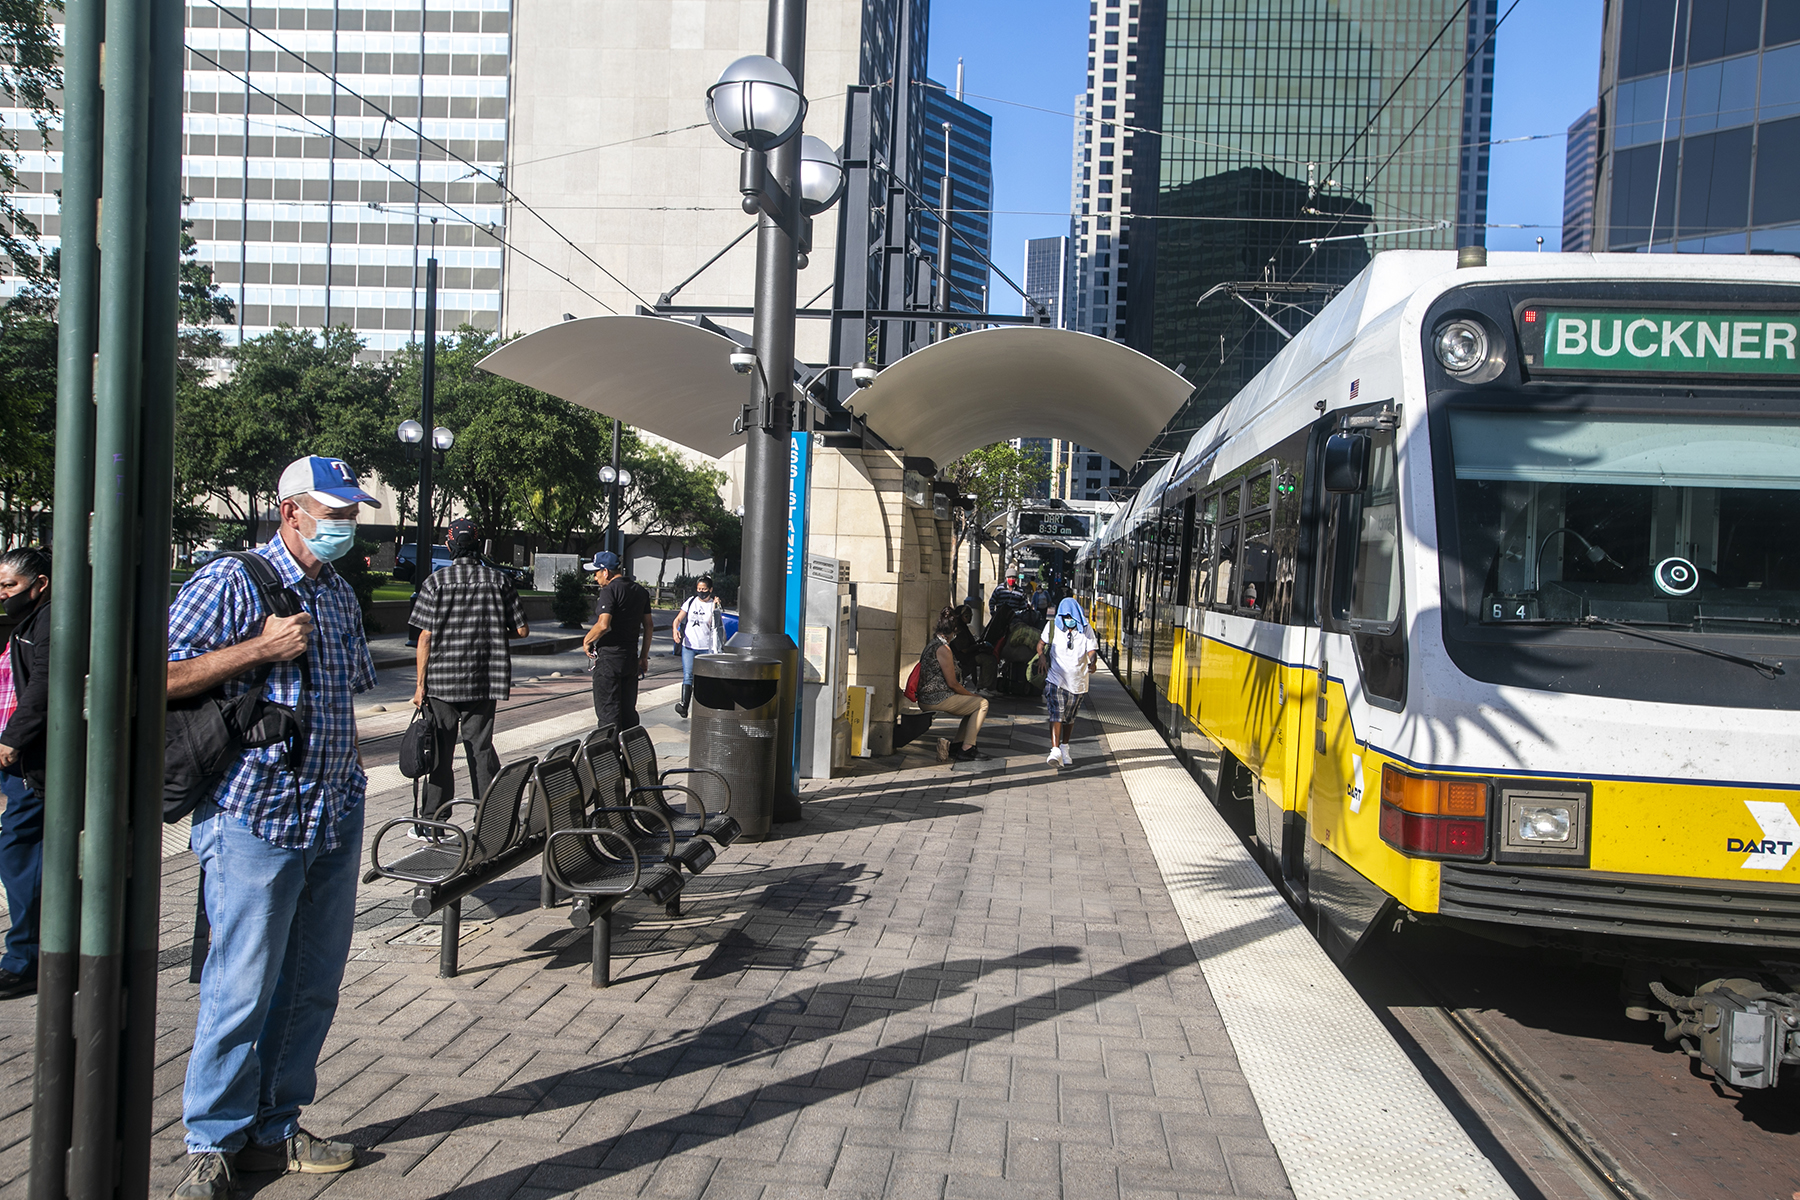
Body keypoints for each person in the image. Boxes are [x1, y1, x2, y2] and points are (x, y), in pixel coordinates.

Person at [165, 455, 380, 1199]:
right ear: (291, 512)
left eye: (352, 513)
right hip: (252, 815)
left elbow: (342, 703)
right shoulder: (232, 581)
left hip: (331, 811)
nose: (346, 526)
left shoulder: (340, 595)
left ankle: (276, 1124)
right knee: (242, 984)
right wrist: (259, 648)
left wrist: (351, 782)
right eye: (335, 514)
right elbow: (154, 674)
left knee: (312, 982)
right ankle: (213, 1139)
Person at [408, 518, 528, 824]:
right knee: (480, 748)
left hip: (441, 683)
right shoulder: (500, 581)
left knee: (440, 752)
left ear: (450, 546)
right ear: (478, 546)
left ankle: (434, 820)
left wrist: (420, 686)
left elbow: (425, 636)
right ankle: (490, 818)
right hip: (483, 680)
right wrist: (494, 634)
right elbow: (522, 630)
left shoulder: (435, 582)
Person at [0, 548, 51, 1000]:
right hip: (22, 757)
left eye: (10, 586)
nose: (3, 595)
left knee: (20, 849)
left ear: (41, 584)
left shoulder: (49, 622)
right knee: (19, 848)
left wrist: (14, 738)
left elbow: (45, 687)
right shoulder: (32, 622)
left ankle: (26, 958)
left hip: (30, 759)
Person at [581, 551, 653, 733]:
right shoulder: (640, 591)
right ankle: (631, 756)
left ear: (606, 572)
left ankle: (609, 759)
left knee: (608, 717)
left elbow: (604, 624)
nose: (595, 578)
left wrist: (587, 640)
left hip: (609, 661)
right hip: (630, 659)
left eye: (596, 573)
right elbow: (649, 626)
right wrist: (643, 657)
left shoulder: (609, 590)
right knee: (629, 714)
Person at [917, 606, 990, 762]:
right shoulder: (943, 649)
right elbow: (952, 683)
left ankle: (958, 744)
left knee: (973, 706)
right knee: (982, 703)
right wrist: (971, 694)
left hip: (931, 695)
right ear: (953, 632)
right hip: (935, 698)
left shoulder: (933, 644)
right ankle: (967, 748)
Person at [1036, 597, 1099, 768]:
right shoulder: (1052, 627)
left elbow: (1091, 651)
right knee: (1057, 713)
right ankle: (1055, 750)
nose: (1068, 620)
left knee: (1069, 718)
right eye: (1065, 616)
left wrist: (1092, 662)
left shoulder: (1086, 630)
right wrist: (1042, 657)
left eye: (1071, 616)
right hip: (1056, 679)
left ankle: (1064, 747)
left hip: (1078, 682)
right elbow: (1040, 644)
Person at [671, 574, 723, 719]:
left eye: (704, 589)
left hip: (706, 647)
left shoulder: (714, 604)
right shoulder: (691, 601)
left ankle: (704, 706)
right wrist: (675, 630)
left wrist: (716, 607)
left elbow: (717, 627)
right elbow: (678, 619)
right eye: (699, 589)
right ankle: (684, 705)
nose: (701, 592)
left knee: (704, 678)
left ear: (710, 589)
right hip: (689, 645)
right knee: (688, 675)